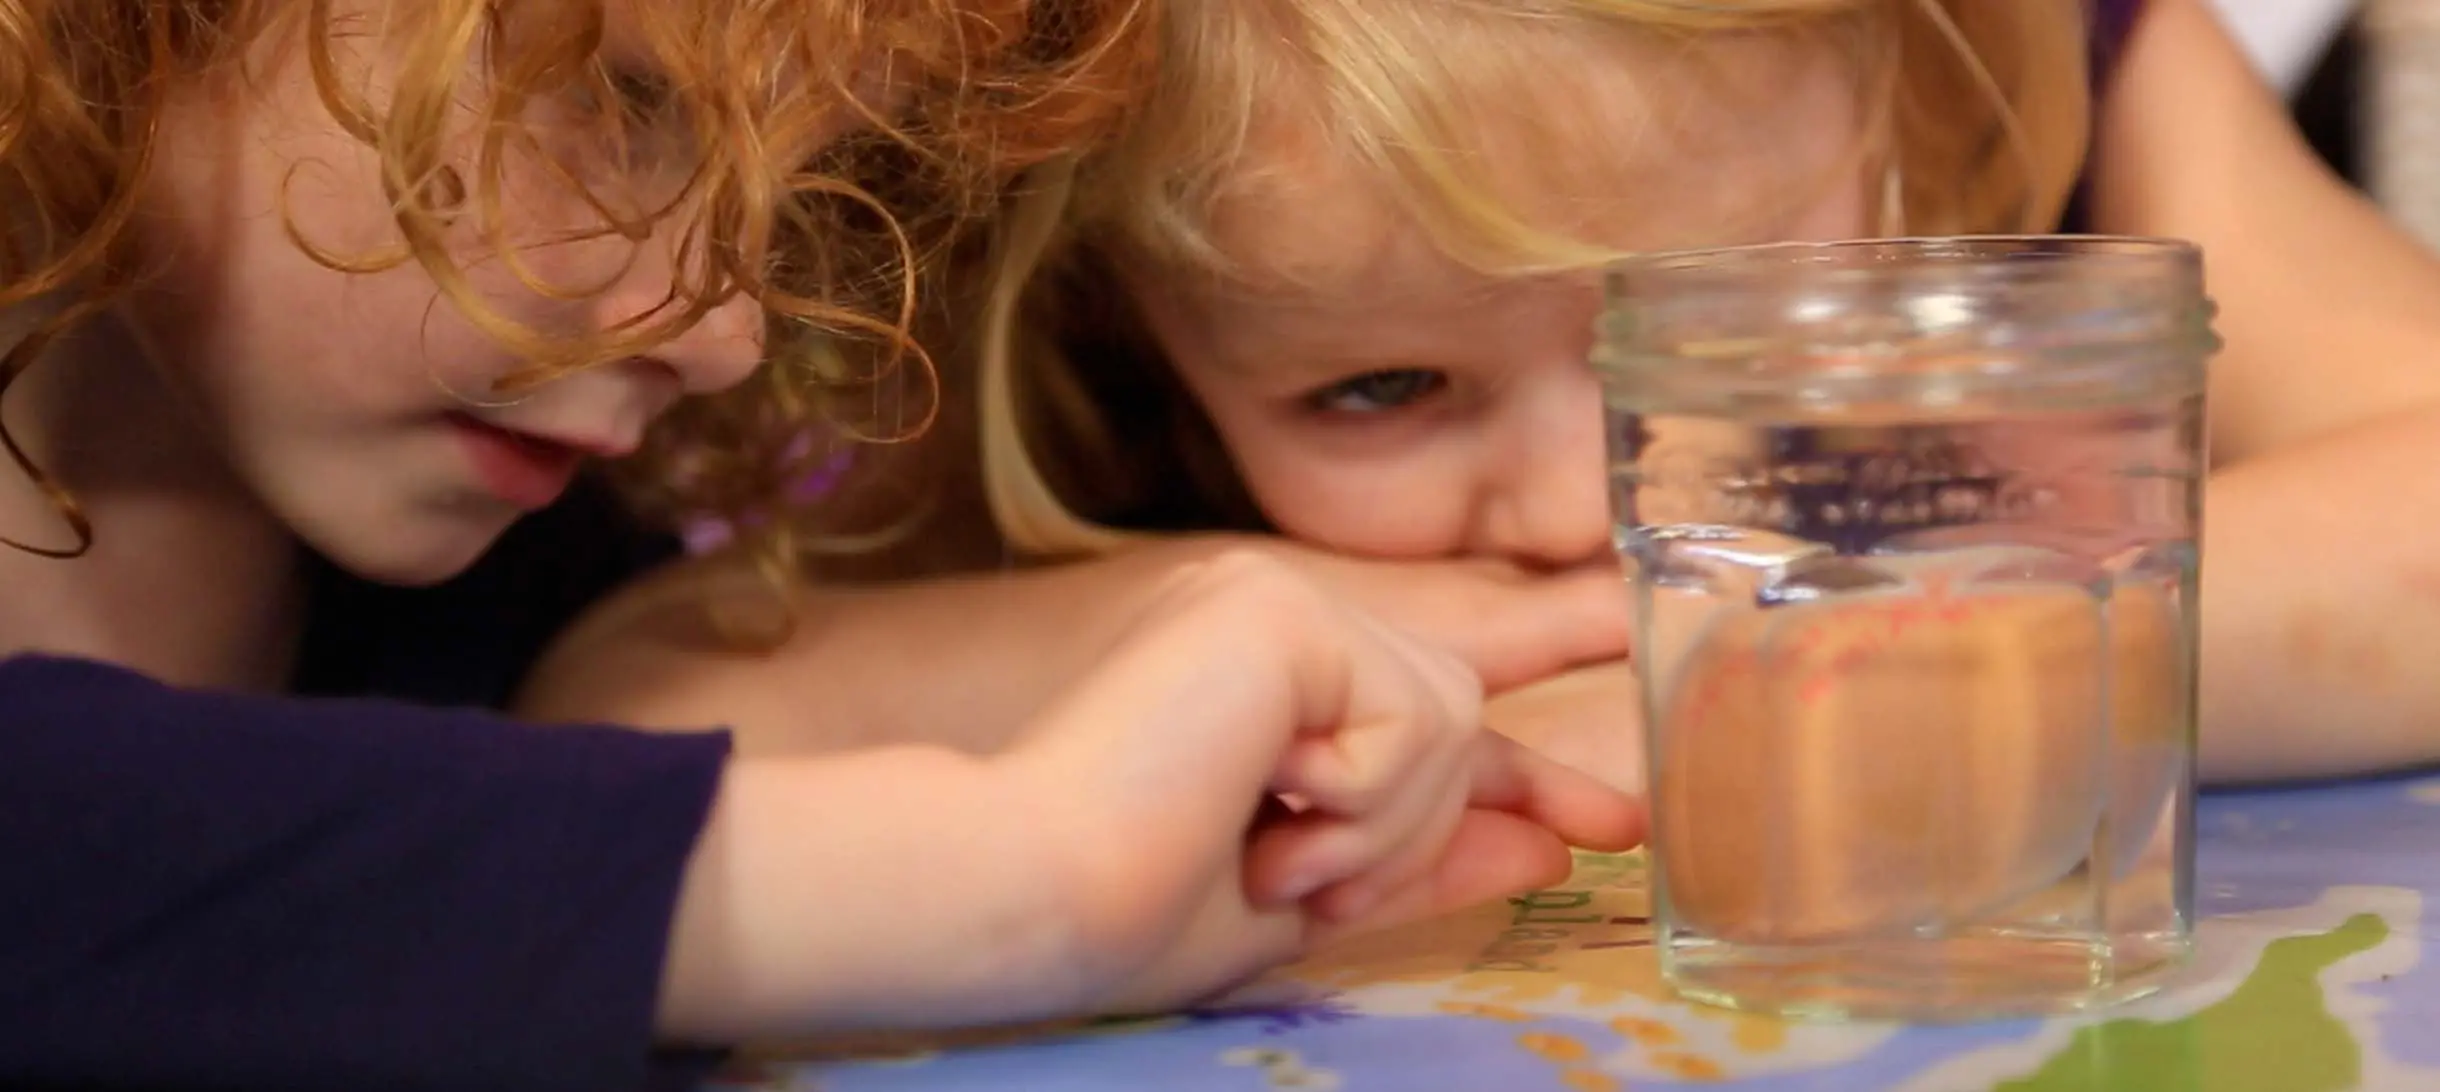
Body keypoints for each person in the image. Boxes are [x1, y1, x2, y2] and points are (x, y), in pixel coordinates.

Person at [0, 3, 1647, 1090]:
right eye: (625, 106)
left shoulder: (474, 539)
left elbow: (624, 694)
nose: (723, 328)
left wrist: (1348, 614)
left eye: (802, 191)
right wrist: (1006, 880)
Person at [526, 0, 2440, 790]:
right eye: (1376, 388)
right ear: (1129, 330)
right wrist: (1249, 624)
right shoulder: (1070, 313)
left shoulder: (2056, 73)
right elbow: (627, 716)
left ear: (1916, 128)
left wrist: (1674, 686)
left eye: (1706, 324)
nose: (1571, 503)